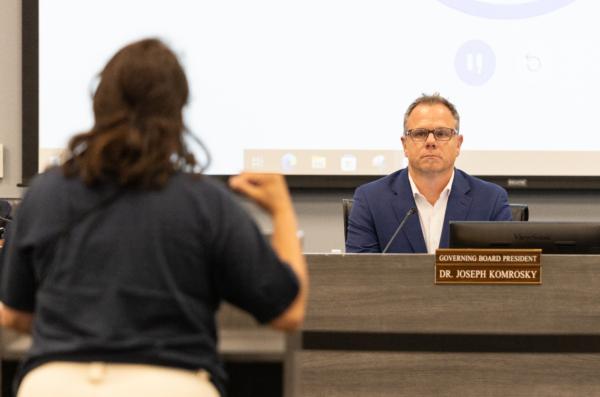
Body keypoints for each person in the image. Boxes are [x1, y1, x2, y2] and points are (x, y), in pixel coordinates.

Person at [0, 38, 307, 397]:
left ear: (99, 104)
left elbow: (15, 315)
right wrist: (282, 210)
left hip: (53, 384)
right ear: (177, 114)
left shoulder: (45, 193)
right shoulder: (207, 202)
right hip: (171, 384)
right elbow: (287, 313)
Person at [346, 93, 511, 253]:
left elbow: (506, 273)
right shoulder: (371, 200)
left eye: (442, 134)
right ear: (405, 145)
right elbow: (360, 274)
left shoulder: (490, 200)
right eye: (420, 134)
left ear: (458, 144)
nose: (431, 142)